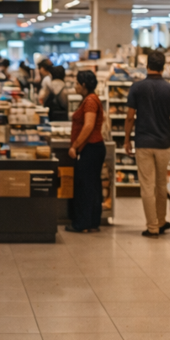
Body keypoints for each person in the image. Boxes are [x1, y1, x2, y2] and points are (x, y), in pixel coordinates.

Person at [125, 49, 170, 237]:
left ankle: (152, 227)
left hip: (143, 142)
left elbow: (129, 117)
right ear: (163, 67)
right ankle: (161, 221)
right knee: (160, 184)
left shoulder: (136, 88)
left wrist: (127, 140)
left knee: (147, 186)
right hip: (164, 143)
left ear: (147, 66)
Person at [66, 69, 107, 233]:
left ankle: (82, 223)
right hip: (94, 147)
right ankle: (92, 222)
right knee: (93, 186)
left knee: (85, 187)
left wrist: (75, 146)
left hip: (90, 147)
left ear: (83, 85)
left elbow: (89, 125)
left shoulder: (90, 101)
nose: (75, 86)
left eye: (76, 83)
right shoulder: (91, 99)